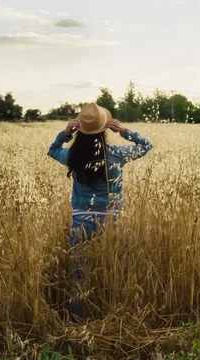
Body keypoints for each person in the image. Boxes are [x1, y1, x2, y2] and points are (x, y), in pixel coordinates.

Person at [47, 102, 153, 323]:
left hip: (80, 223)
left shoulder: (72, 156)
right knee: (115, 272)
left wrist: (66, 134)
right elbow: (146, 146)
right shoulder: (116, 154)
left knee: (80, 277)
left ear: (80, 130)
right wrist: (124, 132)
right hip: (112, 222)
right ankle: (112, 320)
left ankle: (76, 324)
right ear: (105, 129)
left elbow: (53, 151)